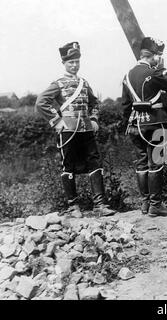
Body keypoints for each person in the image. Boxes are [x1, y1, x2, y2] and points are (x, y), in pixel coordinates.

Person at [35, 42, 115, 217]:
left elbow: (94, 103)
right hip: (68, 130)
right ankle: (73, 206)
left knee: (95, 163)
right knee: (68, 165)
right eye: (71, 62)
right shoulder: (58, 83)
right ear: (64, 63)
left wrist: (94, 118)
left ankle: (100, 205)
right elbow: (41, 102)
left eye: (77, 61)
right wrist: (56, 121)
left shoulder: (84, 83)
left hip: (86, 129)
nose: (74, 65)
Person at [121, 37, 167, 217]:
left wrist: (131, 121)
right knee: (156, 162)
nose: (160, 58)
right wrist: (165, 69)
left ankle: (145, 204)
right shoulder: (155, 73)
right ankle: (156, 205)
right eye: (159, 55)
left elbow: (125, 105)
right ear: (152, 55)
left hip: (135, 124)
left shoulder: (127, 75)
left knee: (141, 163)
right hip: (155, 122)